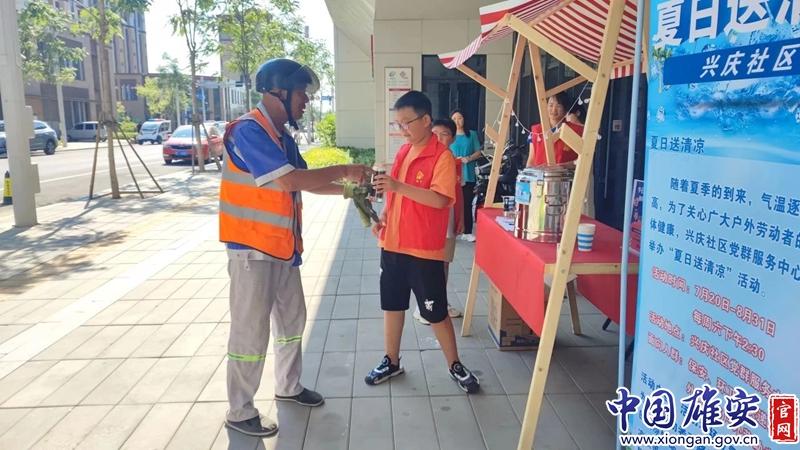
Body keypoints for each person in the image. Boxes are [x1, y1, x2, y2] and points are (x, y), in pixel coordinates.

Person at [219, 58, 369, 438]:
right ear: (278, 92)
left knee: (291, 322)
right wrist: (345, 169)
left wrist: (351, 190)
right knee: (250, 332)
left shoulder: (281, 137)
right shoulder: (248, 131)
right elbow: (289, 181)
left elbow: (305, 181)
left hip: (282, 249)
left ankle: (288, 386)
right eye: (302, 93)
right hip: (251, 250)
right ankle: (240, 410)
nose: (307, 101)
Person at [366, 91, 480, 393]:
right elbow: (394, 196)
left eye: (407, 123)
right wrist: (383, 218)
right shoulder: (404, 151)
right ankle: (391, 360)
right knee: (392, 305)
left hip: (423, 250)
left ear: (426, 119)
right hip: (393, 244)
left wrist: (397, 185)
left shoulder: (442, 157)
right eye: (398, 124)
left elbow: (440, 199)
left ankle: (455, 364)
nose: (402, 130)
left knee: (435, 311)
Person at [412, 118, 463, 325]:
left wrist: (460, 218)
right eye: (436, 134)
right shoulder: (424, 160)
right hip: (428, 223)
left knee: (444, 263)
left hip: (447, 223)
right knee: (427, 265)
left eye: (445, 134)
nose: (440, 138)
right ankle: (422, 307)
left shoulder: (453, 161)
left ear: (453, 138)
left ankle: (441, 302)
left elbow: (458, 193)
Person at [449, 109, 482, 242]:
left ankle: (467, 231)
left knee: (467, 203)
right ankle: (452, 230)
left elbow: (478, 152)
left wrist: (468, 158)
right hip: (452, 173)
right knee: (452, 203)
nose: (457, 121)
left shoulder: (472, 134)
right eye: (454, 119)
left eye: (460, 118)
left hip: (468, 173)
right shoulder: (449, 135)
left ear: (464, 119)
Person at [527, 92, 585, 167]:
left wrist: (562, 166)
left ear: (565, 109)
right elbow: (531, 160)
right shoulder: (536, 130)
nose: (554, 110)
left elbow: (581, 159)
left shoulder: (576, 130)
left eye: (558, 106)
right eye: (551, 105)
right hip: (539, 173)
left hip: (566, 173)